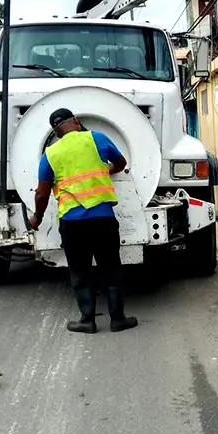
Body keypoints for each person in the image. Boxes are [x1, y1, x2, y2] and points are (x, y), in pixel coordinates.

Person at [28, 108, 138, 334]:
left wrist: (37, 217)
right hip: (103, 219)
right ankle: (118, 319)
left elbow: (42, 193)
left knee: (80, 271)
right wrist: (107, 169)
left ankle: (87, 321)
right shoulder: (97, 138)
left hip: (72, 223)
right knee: (111, 268)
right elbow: (121, 162)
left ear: (56, 132)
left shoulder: (50, 154)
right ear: (76, 122)